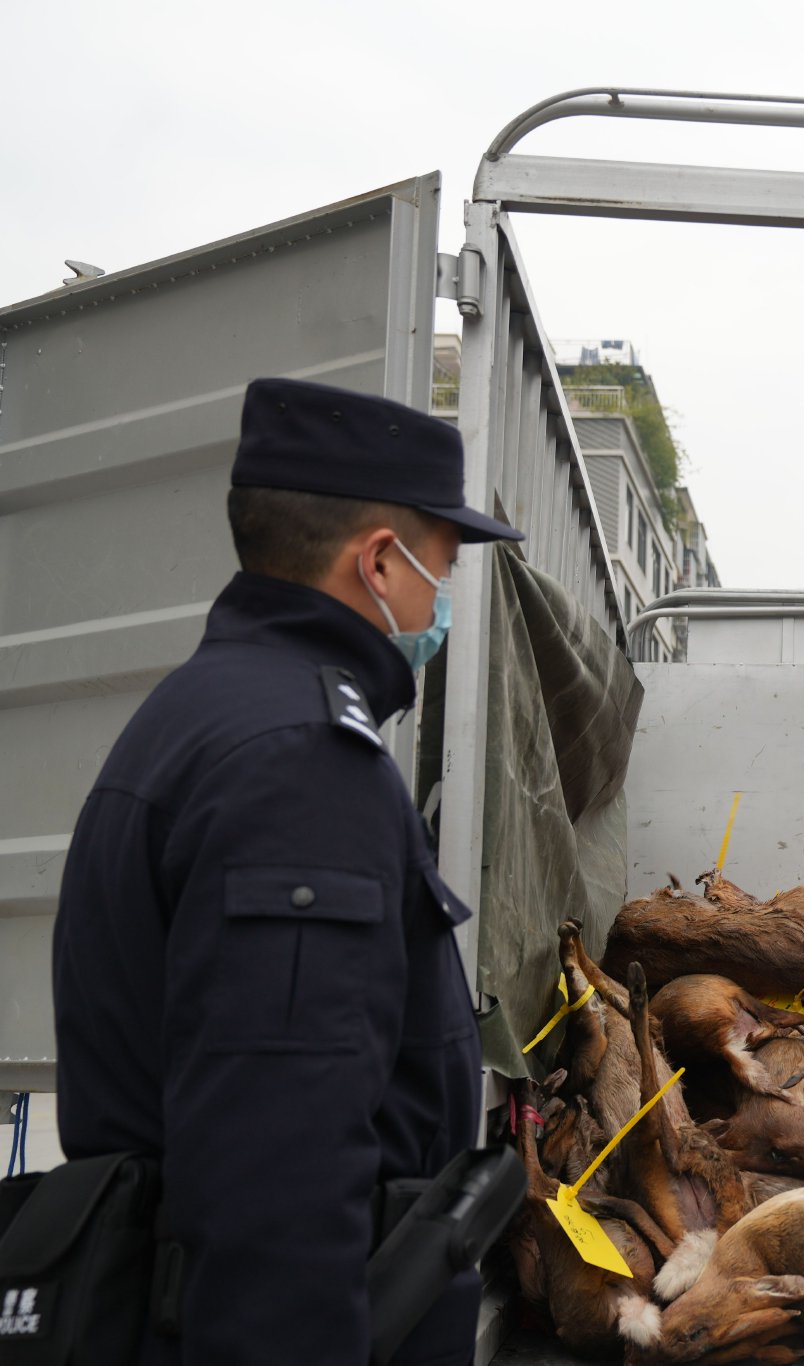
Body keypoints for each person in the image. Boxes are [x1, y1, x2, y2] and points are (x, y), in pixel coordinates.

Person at [50, 378, 523, 1365]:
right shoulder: (301, 761)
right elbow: (278, 1161)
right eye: (442, 568)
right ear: (381, 560)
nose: (441, 602)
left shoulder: (203, 709)